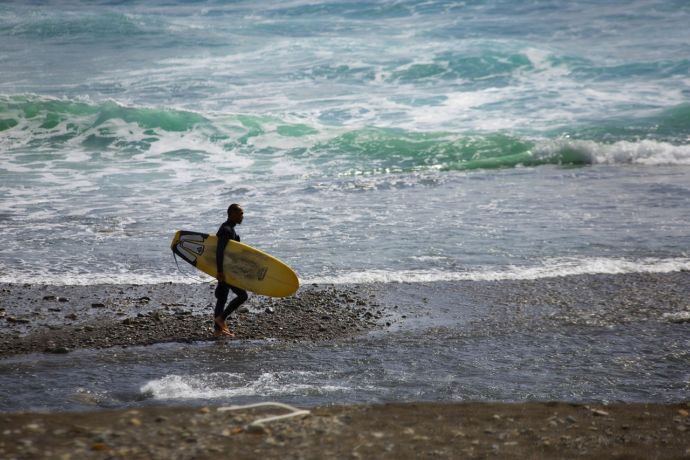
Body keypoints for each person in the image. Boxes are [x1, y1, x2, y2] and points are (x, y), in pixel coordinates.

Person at [213, 203, 248, 337]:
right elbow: (219, 251)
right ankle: (221, 319)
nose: (242, 216)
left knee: (222, 298)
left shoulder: (230, 230)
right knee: (243, 295)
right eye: (240, 214)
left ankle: (217, 330)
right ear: (232, 214)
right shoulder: (227, 230)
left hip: (225, 269)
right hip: (225, 271)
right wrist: (220, 271)